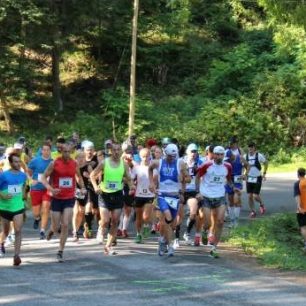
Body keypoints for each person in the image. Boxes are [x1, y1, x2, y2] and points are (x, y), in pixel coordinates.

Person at [41, 143, 86, 262]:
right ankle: (51, 230)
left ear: (71, 152)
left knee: (65, 224)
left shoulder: (74, 163)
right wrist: (50, 189)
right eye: (64, 152)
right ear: (61, 152)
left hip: (69, 197)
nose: (66, 154)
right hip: (56, 198)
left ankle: (60, 251)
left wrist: (83, 187)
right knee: (56, 226)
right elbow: (43, 177)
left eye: (68, 152)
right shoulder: (54, 163)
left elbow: (79, 177)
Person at [90, 143, 135, 255]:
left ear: (120, 151)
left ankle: (108, 246)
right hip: (105, 194)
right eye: (114, 150)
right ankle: (101, 228)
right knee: (105, 221)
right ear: (110, 151)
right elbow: (92, 175)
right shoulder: (104, 162)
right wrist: (96, 187)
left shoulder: (124, 164)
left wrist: (131, 186)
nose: (116, 152)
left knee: (115, 221)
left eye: (118, 150)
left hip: (118, 194)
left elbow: (129, 178)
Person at [149, 143, 190, 257]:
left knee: (171, 224)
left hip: (174, 196)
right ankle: (170, 245)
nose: (172, 158)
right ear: (165, 154)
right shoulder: (158, 162)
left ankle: (162, 240)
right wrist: (151, 184)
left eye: (174, 156)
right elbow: (150, 168)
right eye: (170, 156)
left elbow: (188, 179)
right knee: (167, 217)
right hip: (162, 195)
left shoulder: (180, 163)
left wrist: (184, 181)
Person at [195, 146, 233, 258]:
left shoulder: (228, 166)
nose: (219, 156)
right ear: (213, 154)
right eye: (217, 154)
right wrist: (198, 192)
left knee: (220, 221)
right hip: (206, 196)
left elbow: (229, 178)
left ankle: (214, 248)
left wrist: (233, 187)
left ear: (224, 155)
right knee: (207, 223)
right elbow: (197, 177)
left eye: (222, 155)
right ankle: (204, 231)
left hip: (220, 196)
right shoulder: (206, 165)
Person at [0, 153, 27, 266]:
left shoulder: (23, 175)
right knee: (5, 231)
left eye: (19, 161)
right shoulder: (4, 175)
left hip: (18, 207)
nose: (18, 163)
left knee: (18, 230)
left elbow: (24, 187)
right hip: (5, 207)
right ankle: (1, 243)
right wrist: (3, 195)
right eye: (15, 162)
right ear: (10, 163)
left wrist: (24, 198)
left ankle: (16, 256)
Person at [28, 142, 53, 239]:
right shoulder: (35, 161)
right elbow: (29, 172)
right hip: (36, 188)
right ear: (41, 151)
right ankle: (37, 218)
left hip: (47, 189)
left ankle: (42, 230)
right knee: (36, 212)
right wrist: (31, 180)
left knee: (46, 208)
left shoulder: (53, 162)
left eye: (48, 150)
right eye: (44, 150)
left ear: (50, 151)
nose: (46, 152)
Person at [182, 143, 204, 246]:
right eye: (192, 151)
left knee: (194, 212)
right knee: (176, 216)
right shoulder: (181, 161)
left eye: (195, 151)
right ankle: (174, 235)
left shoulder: (200, 162)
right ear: (187, 151)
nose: (194, 153)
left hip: (194, 191)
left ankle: (187, 233)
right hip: (181, 190)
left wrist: (200, 190)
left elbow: (203, 177)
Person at [132, 148, 156, 243]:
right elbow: (131, 178)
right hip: (138, 194)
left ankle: (146, 225)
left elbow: (156, 181)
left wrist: (154, 186)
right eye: (143, 156)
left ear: (150, 156)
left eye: (147, 156)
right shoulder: (137, 168)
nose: (145, 158)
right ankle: (138, 234)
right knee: (138, 216)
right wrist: (131, 185)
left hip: (149, 195)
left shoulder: (153, 168)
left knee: (145, 216)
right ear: (140, 157)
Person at [224, 149, 248, 227]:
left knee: (236, 200)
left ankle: (236, 221)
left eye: (229, 157)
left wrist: (245, 174)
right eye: (227, 158)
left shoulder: (240, 158)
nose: (228, 159)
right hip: (229, 181)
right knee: (230, 201)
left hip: (238, 181)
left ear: (232, 155)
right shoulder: (226, 161)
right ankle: (232, 221)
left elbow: (248, 166)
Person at [244, 142, 268, 218]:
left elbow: (266, 163)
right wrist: (244, 175)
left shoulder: (259, 155)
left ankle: (261, 204)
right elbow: (243, 166)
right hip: (249, 178)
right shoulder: (245, 156)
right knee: (250, 196)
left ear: (254, 148)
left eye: (252, 147)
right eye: (249, 147)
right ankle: (253, 211)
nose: (250, 149)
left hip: (257, 177)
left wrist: (264, 173)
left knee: (255, 195)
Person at [294, 168, 306, 252]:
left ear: (298, 174)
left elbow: (297, 196)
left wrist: (298, 207)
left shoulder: (297, 183)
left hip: (303, 209)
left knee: (303, 228)